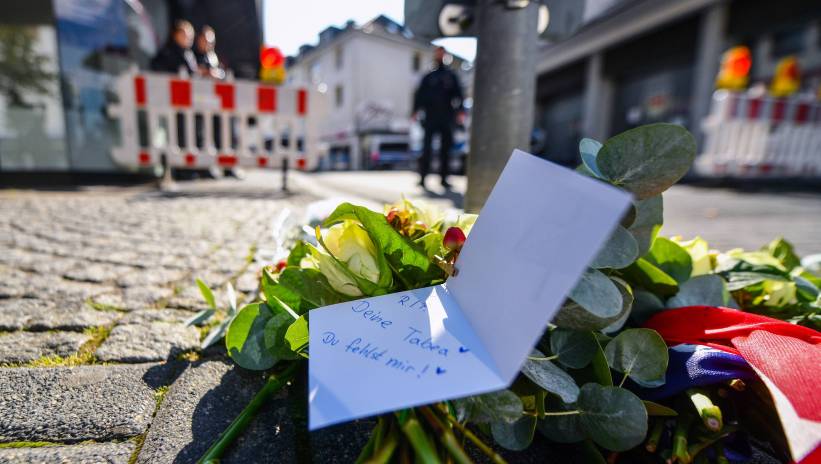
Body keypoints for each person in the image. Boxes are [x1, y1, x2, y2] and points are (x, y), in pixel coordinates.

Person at [412, 46, 465, 189]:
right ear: (435, 55)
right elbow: (420, 95)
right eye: (438, 53)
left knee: (445, 149)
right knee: (426, 147)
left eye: (442, 53)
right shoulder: (429, 76)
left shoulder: (451, 75)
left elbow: (459, 94)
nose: (440, 55)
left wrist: (460, 111)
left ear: (446, 56)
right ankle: (423, 178)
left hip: (447, 116)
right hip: (430, 116)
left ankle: (444, 179)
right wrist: (415, 111)